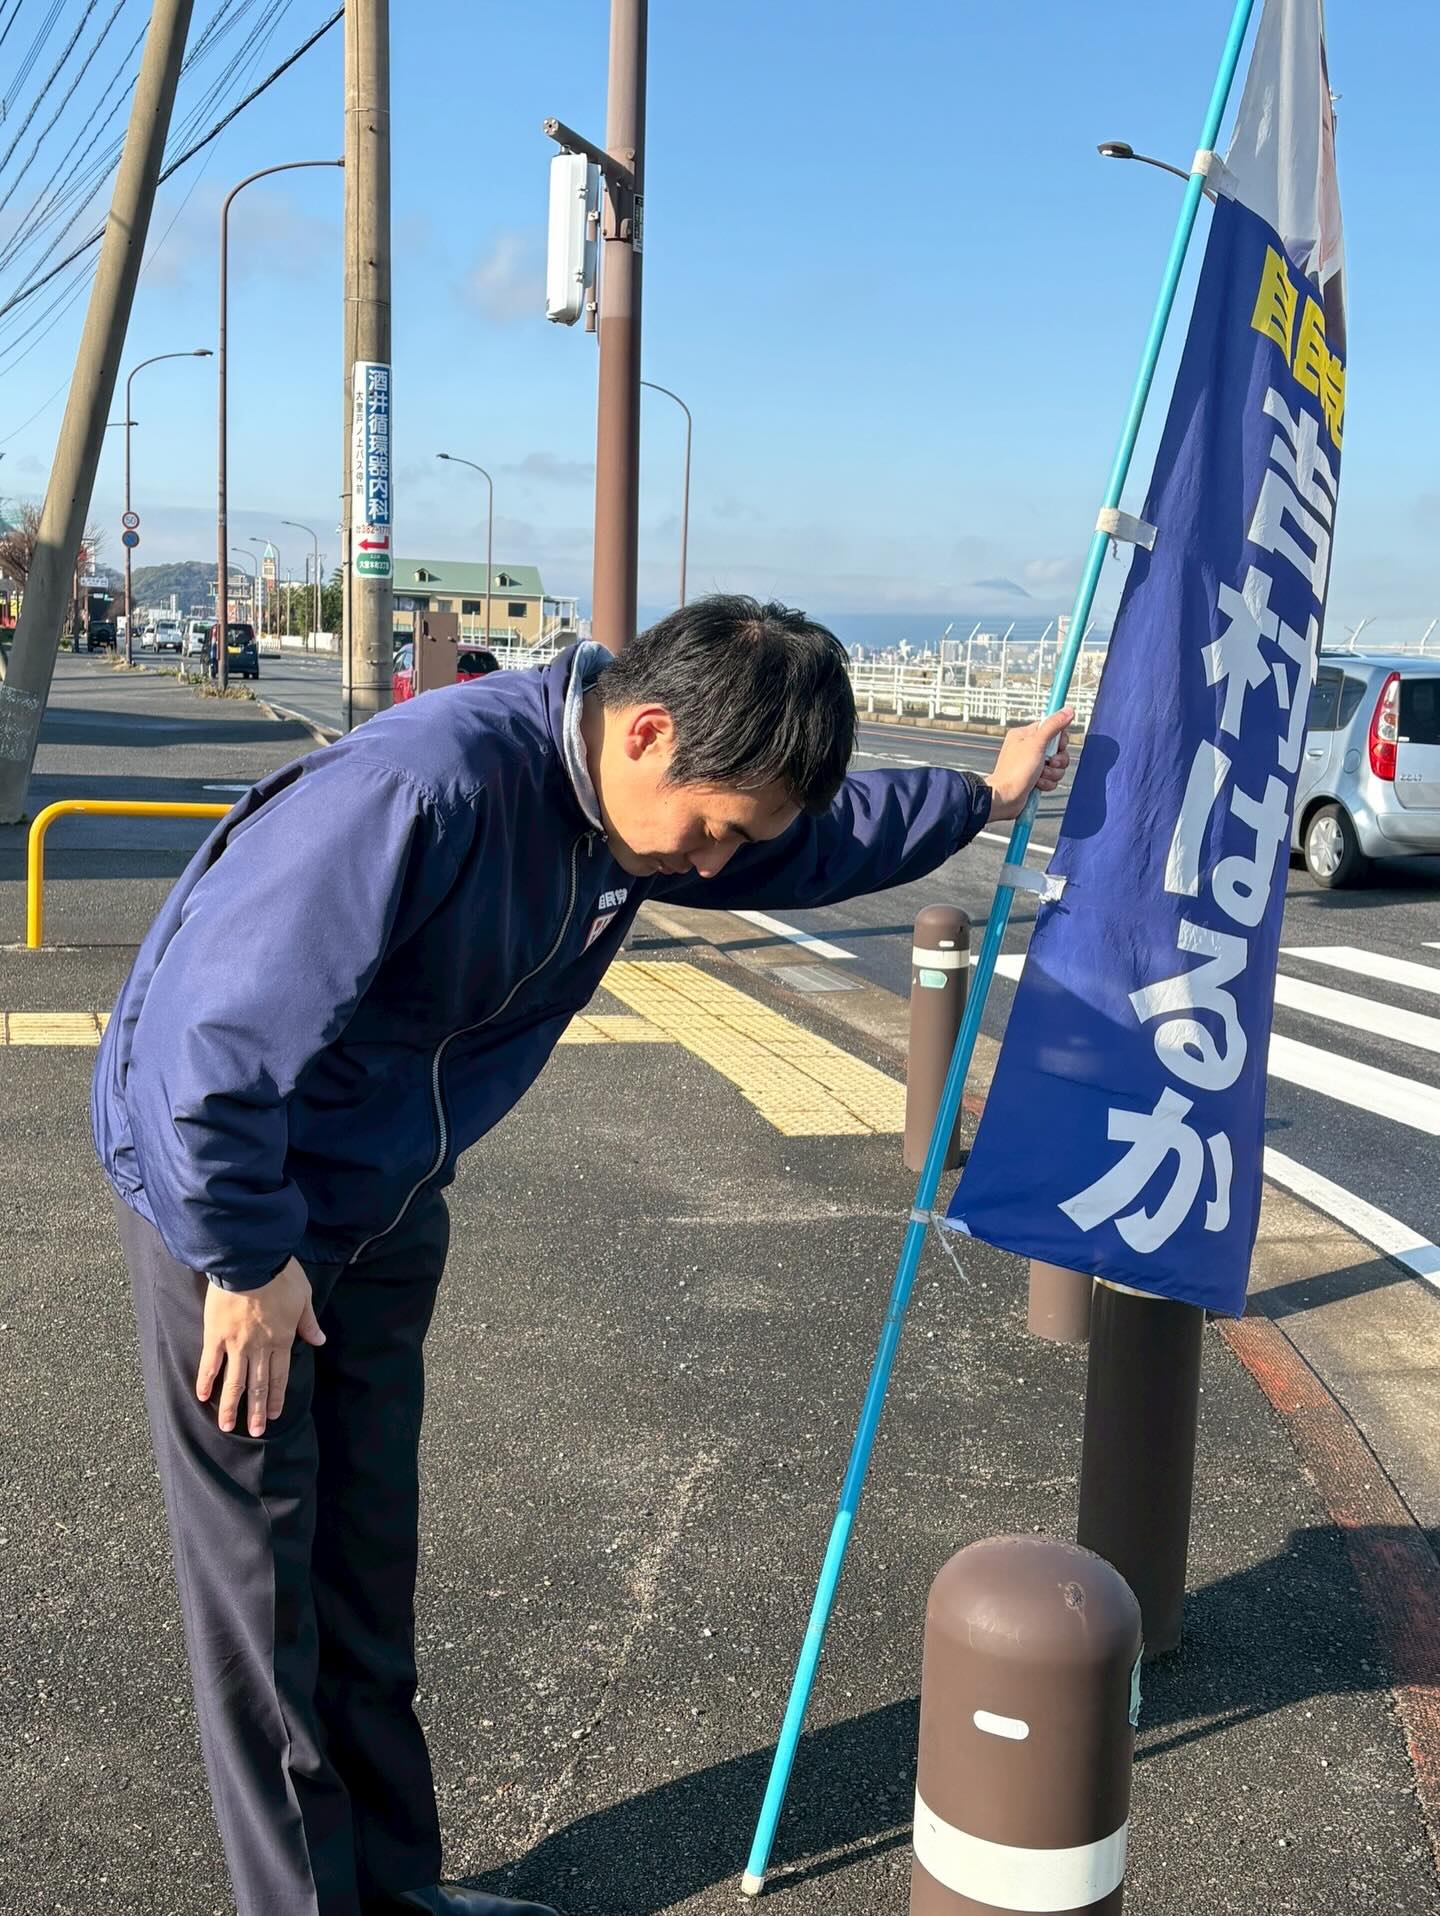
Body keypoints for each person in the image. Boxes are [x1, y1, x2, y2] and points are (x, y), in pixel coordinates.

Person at [92, 596, 1070, 1916]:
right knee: (268, 1608)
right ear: (650, 731)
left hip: (380, 1203)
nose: (717, 867)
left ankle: (399, 1891)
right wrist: (247, 1260)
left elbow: (817, 841)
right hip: (238, 1225)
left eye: (738, 841)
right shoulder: (419, 790)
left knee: (364, 1575)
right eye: (716, 829)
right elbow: (204, 1054)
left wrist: (982, 796)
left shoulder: (640, 805)